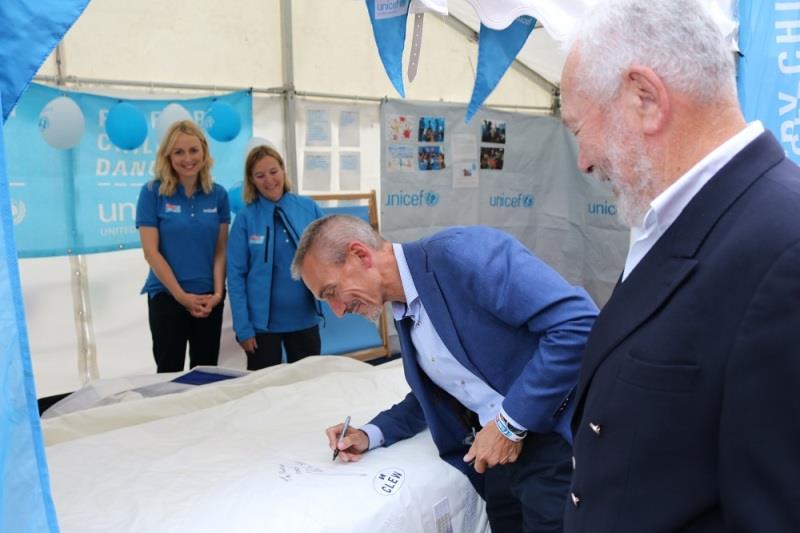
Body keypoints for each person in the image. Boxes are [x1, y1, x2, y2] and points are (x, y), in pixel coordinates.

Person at [559, 1, 800, 531]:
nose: (584, 160)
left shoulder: (785, 249)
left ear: (645, 99)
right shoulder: (676, 217)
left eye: (578, 129)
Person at [291, 215, 599, 533]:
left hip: (553, 441)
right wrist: (370, 434)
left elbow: (579, 325)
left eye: (331, 292)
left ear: (361, 255)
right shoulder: (404, 309)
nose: (338, 311)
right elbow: (443, 389)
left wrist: (510, 425)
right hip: (493, 456)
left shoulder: (462, 254)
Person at [135, 120, 230, 373]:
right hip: (167, 298)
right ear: (168, 156)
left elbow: (221, 249)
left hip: (209, 299)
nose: (187, 158)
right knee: (169, 375)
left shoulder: (218, 195)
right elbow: (150, 252)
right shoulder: (152, 193)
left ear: (204, 152)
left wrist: (218, 294)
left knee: (207, 374)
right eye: (178, 152)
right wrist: (181, 296)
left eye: (193, 150)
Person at [227, 145, 325, 370]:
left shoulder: (308, 208)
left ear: (283, 171)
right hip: (262, 329)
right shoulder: (245, 219)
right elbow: (235, 277)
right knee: (265, 396)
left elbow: (330, 255)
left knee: (309, 389)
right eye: (260, 175)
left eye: (273, 171)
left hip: (305, 320)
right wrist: (243, 328)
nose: (269, 180)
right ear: (251, 180)